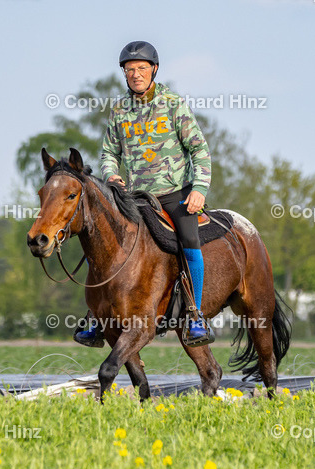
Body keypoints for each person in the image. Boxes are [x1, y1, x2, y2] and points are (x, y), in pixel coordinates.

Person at [75, 40, 214, 347]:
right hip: (133, 196)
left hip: (174, 193)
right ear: (124, 74)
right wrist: (111, 172)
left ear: (154, 69)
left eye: (141, 68)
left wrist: (200, 189)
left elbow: (199, 150)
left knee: (189, 240)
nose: (135, 74)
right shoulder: (119, 110)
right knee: (98, 241)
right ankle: (94, 315)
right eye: (129, 70)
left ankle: (194, 314)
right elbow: (109, 152)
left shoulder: (174, 104)